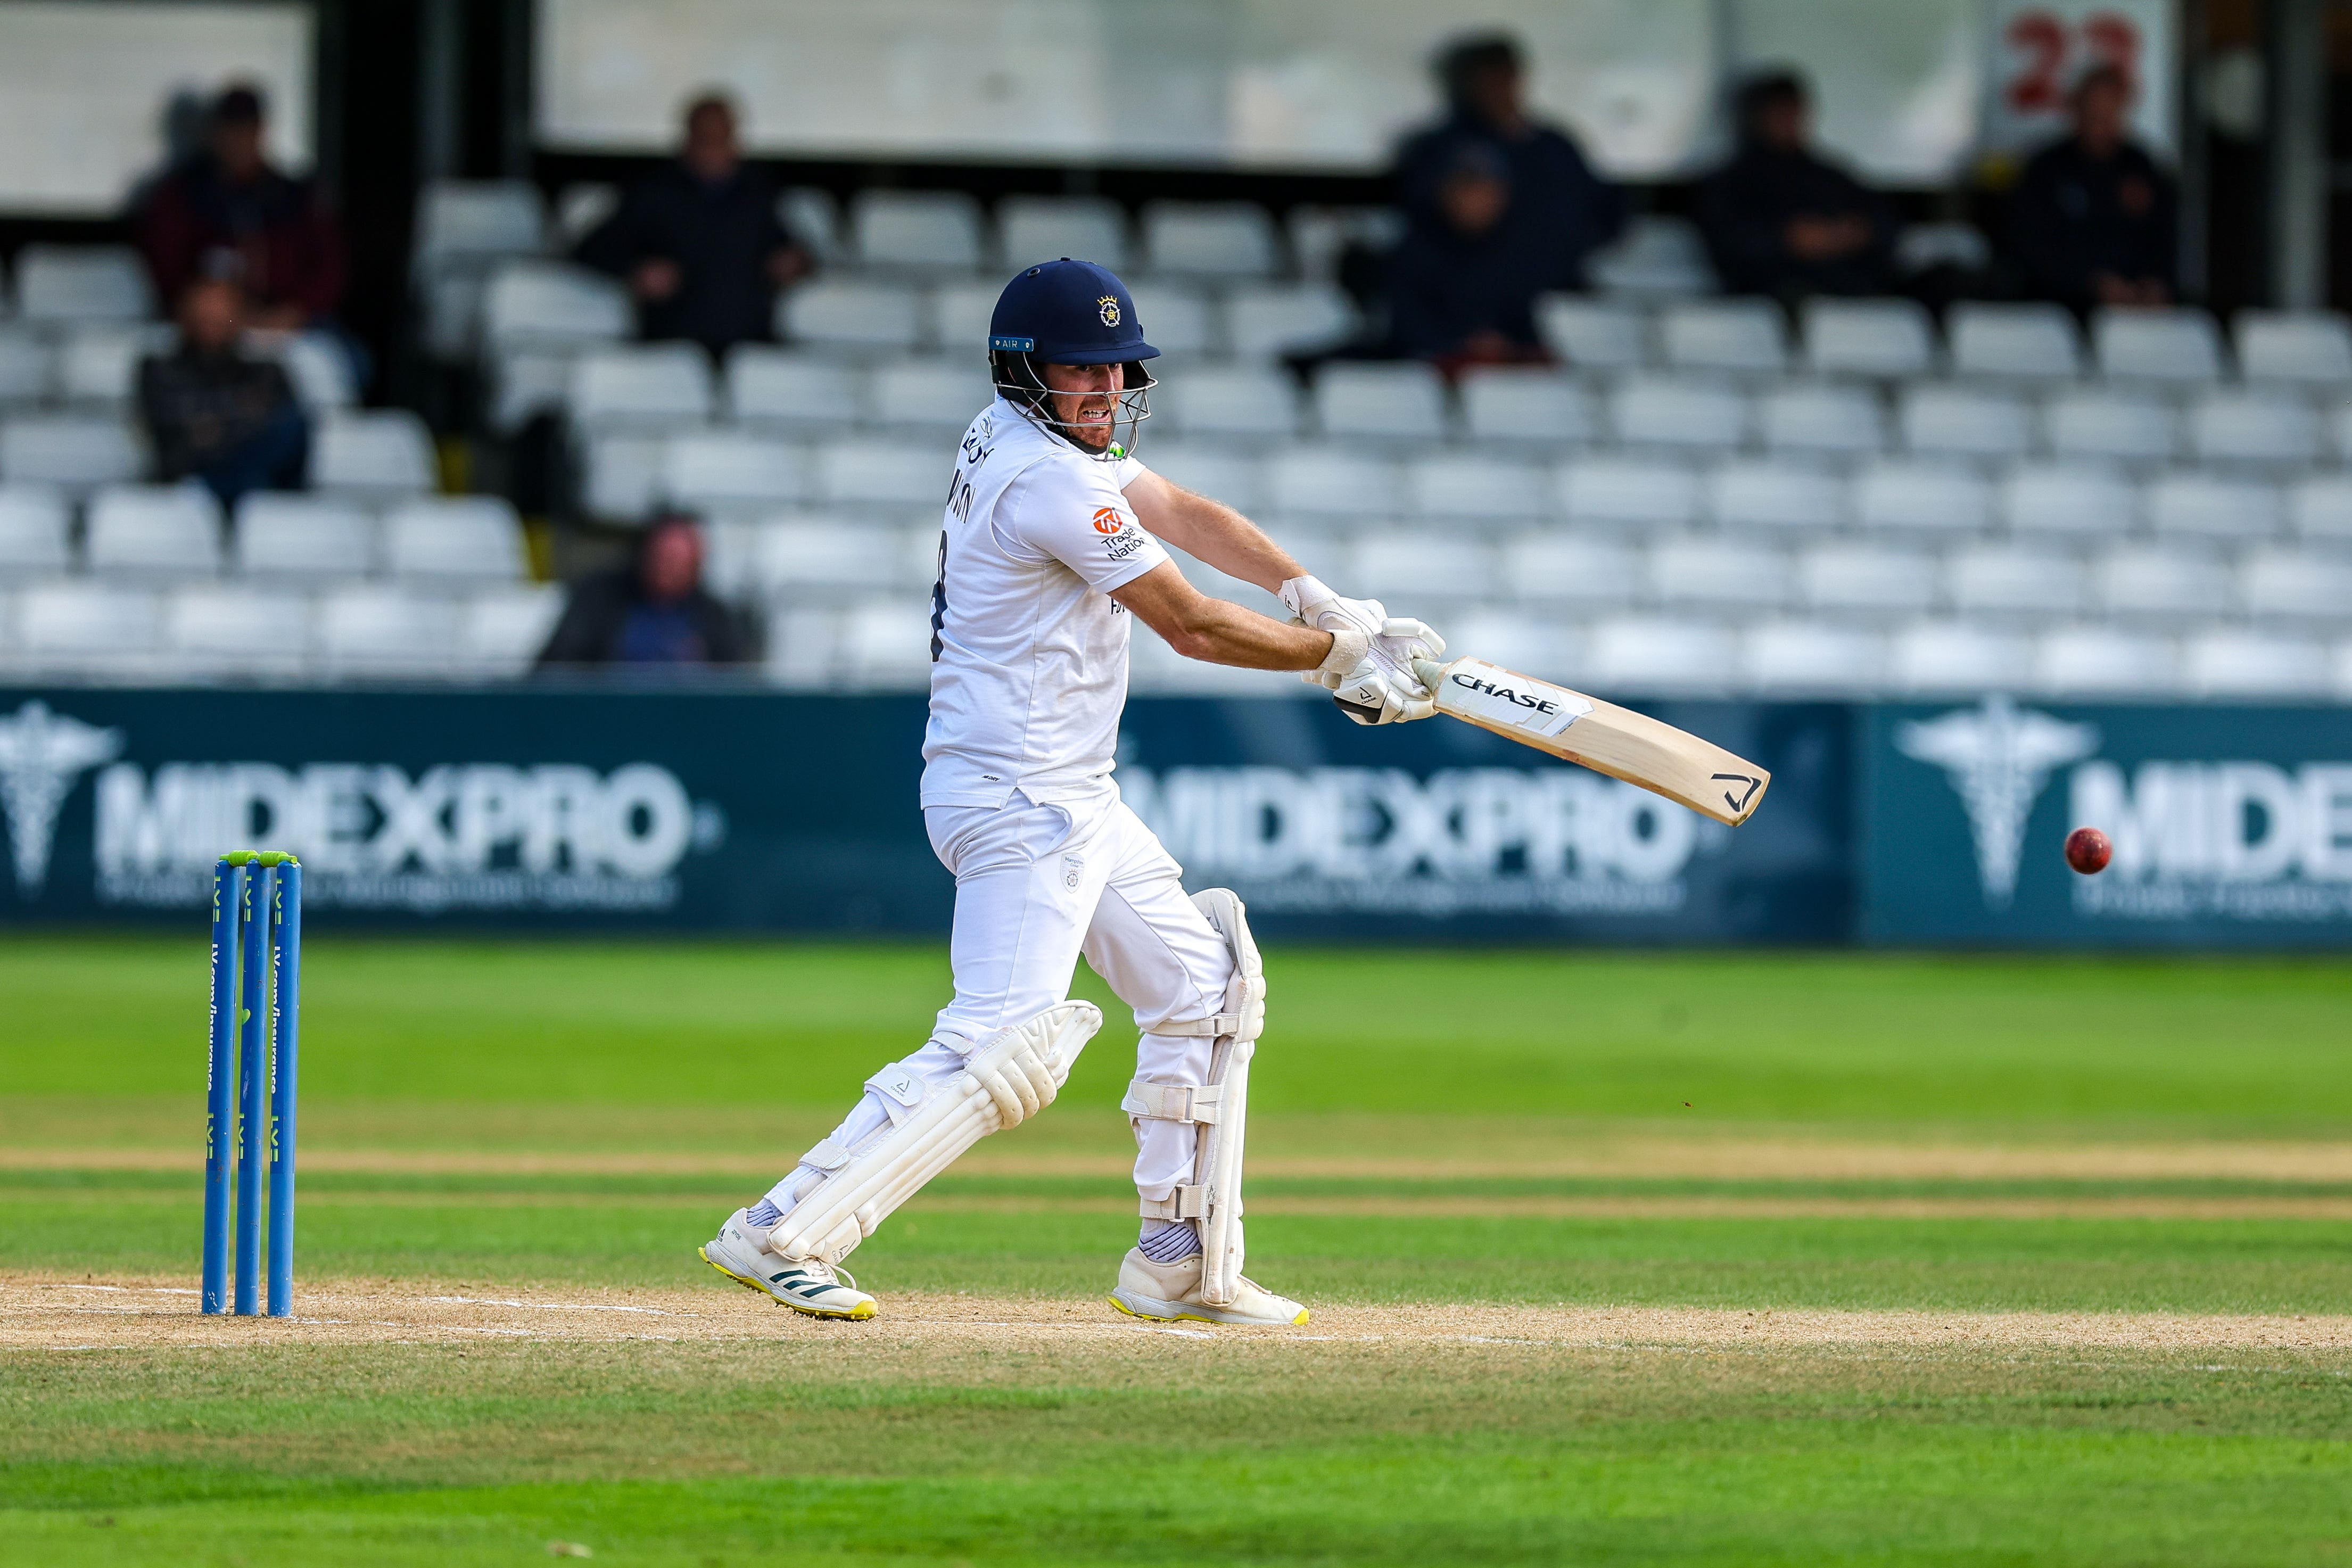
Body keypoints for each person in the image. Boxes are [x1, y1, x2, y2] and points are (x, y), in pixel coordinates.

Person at [697, 260, 1445, 1327]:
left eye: (1115, 370)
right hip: (1017, 794)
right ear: (1024, 374)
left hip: (1067, 793)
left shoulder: (1035, 439)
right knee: (1001, 1042)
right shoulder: (1044, 479)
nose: (1103, 391)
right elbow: (1190, 623)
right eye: (1078, 372)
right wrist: (1334, 659)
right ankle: (782, 1229)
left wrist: (1316, 597)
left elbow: (1185, 511)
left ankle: (1177, 1259)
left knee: (1205, 985)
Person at [576, 94, 813, 358]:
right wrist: (637, 271)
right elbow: (590, 250)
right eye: (705, 139)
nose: (714, 150)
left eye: (722, 138)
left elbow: (794, 253)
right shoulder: (654, 192)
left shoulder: (757, 192)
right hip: (672, 340)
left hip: (748, 339)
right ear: (687, 140)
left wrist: (792, 264)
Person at [1392, 33, 1623, 295]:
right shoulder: (1441, 149)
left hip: (1553, 290)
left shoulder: (1554, 146)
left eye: (1505, 75)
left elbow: (1602, 209)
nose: (1499, 87)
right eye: (1488, 78)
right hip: (1465, 295)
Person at [138, 84, 348, 338]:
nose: (237, 141)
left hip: (291, 327)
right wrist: (218, 313)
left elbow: (329, 268)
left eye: (246, 130)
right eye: (230, 130)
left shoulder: (296, 195)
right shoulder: (182, 195)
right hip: (208, 331)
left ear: (260, 131)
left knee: (343, 361)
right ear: (214, 133)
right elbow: (167, 271)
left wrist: (295, 311)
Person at [1696, 71, 1899, 302]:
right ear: (1757, 117)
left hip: (1853, 285)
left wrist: (1854, 233)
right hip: (1778, 291)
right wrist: (1787, 240)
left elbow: (1885, 223)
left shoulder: (1828, 177)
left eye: (1793, 111)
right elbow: (1729, 244)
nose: (1788, 119)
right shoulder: (1732, 182)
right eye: (1779, 112)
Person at [2008, 64, 2177, 312]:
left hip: (2134, 312)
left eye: (2107, 116)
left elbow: (2162, 239)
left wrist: (2154, 283)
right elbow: (2031, 248)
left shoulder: (2141, 168)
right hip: (2060, 311)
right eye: (2092, 116)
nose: (2098, 127)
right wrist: (2091, 283)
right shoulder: (2046, 169)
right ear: (2076, 109)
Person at [137, 276, 308, 510]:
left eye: (223, 310)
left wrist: (214, 427)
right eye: (205, 309)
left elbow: (290, 433)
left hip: (261, 487)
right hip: (191, 483)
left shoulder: (267, 372)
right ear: (183, 312)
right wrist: (249, 419)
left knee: (290, 429)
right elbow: (177, 437)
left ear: (242, 316)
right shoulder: (158, 370)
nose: (213, 316)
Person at [1387, 142, 1551, 366]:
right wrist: (1461, 347)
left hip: (1507, 378)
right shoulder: (1414, 252)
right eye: (1467, 189)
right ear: (1444, 192)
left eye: (1487, 191)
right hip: (1427, 374)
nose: (1476, 201)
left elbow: (1534, 328)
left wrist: (1505, 348)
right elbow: (1405, 328)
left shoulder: (1524, 253)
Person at [536, 513, 752, 668]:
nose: (667, 569)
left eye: (679, 563)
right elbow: (556, 672)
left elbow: (732, 688)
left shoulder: (716, 617)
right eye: (661, 558)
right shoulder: (597, 600)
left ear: (696, 566)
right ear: (644, 554)